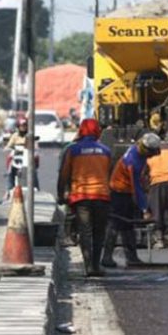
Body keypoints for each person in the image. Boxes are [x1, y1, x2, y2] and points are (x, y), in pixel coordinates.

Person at [57, 119, 111, 277]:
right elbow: (109, 173)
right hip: (102, 196)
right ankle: (96, 265)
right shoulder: (106, 150)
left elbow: (64, 174)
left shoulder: (73, 150)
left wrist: (61, 194)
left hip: (81, 197)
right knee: (99, 232)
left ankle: (88, 267)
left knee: (85, 232)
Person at [101, 133, 161, 268]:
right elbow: (137, 188)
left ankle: (131, 257)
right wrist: (144, 208)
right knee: (116, 224)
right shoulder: (133, 162)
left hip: (123, 191)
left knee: (127, 226)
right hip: (119, 193)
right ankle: (108, 257)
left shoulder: (136, 150)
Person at [146, 143, 168, 249]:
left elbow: (144, 171)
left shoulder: (149, 151)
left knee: (156, 211)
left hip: (156, 182)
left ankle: (159, 239)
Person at [3, 117, 39, 201]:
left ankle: (36, 188)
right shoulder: (15, 135)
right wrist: (8, 148)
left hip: (28, 155)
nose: (23, 127)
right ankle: (8, 190)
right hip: (17, 155)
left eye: (25, 126)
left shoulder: (30, 135)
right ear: (18, 127)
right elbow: (9, 146)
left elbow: (35, 146)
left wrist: (34, 149)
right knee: (10, 171)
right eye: (21, 126)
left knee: (34, 171)